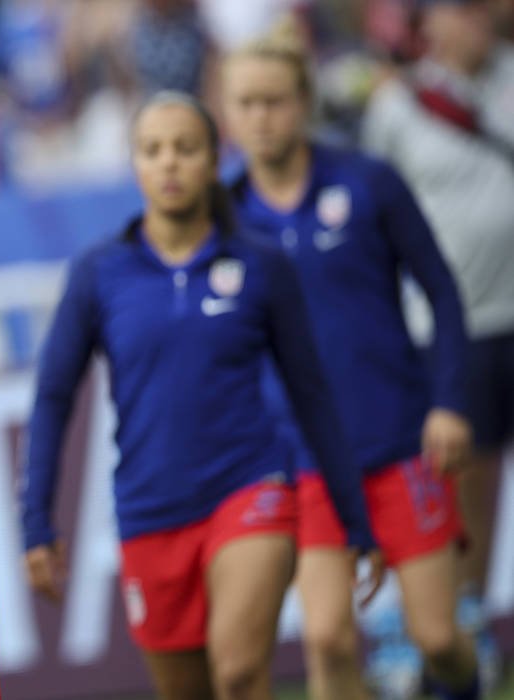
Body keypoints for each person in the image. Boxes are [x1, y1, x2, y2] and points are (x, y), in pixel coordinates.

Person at [21, 90, 382, 700]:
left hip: (250, 487)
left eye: (186, 149)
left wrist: (354, 520)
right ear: (134, 164)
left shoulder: (261, 264)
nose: (169, 163)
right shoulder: (99, 272)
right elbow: (54, 396)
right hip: (149, 511)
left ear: (215, 160)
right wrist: (36, 522)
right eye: (153, 150)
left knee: (239, 674)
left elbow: (311, 395)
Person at [221, 23, 481, 700]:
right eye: (245, 104)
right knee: (329, 639)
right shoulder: (221, 216)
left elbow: (444, 292)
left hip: (401, 442)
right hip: (304, 462)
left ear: (303, 101)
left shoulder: (369, 183)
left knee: (439, 642)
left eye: (274, 101)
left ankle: (463, 684)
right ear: (228, 112)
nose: (260, 118)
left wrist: (450, 400)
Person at [363, 0, 514, 691]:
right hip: (458, 327)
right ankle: (454, 620)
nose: (474, 21)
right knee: (463, 484)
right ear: (430, 24)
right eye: (459, 9)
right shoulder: (398, 106)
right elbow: (373, 214)